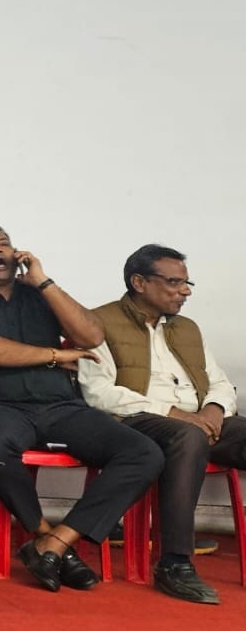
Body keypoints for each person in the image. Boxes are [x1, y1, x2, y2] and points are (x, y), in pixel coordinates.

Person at [0, 224, 162, 592]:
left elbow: (91, 336)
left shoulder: (40, 294)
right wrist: (55, 355)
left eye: (3, 243)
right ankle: (42, 533)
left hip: (60, 407)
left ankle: (57, 543)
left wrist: (43, 282)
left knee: (144, 453)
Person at [78, 244, 246, 605]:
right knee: (188, 437)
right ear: (139, 282)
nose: (185, 291)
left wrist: (215, 408)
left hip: (199, 422)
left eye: (187, 283)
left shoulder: (187, 328)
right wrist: (173, 413)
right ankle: (174, 563)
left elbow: (217, 380)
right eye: (174, 283)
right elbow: (99, 393)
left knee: (205, 434)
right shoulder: (97, 323)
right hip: (135, 423)